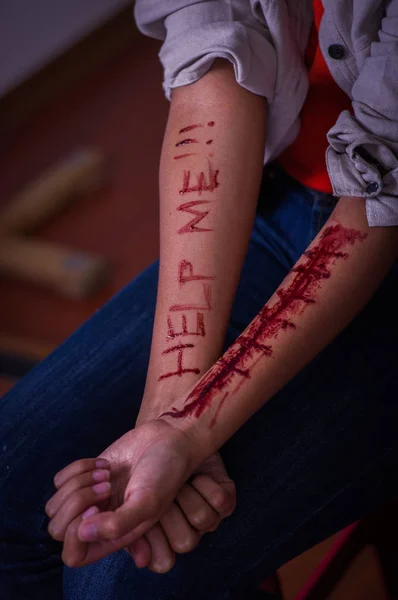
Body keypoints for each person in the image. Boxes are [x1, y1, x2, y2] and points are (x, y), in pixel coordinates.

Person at [1, 1, 397, 598]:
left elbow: (384, 188)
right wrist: (168, 413)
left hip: (381, 238)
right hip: (288, 196)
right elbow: (212, 56)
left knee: (120, 582)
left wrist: (189, 433)